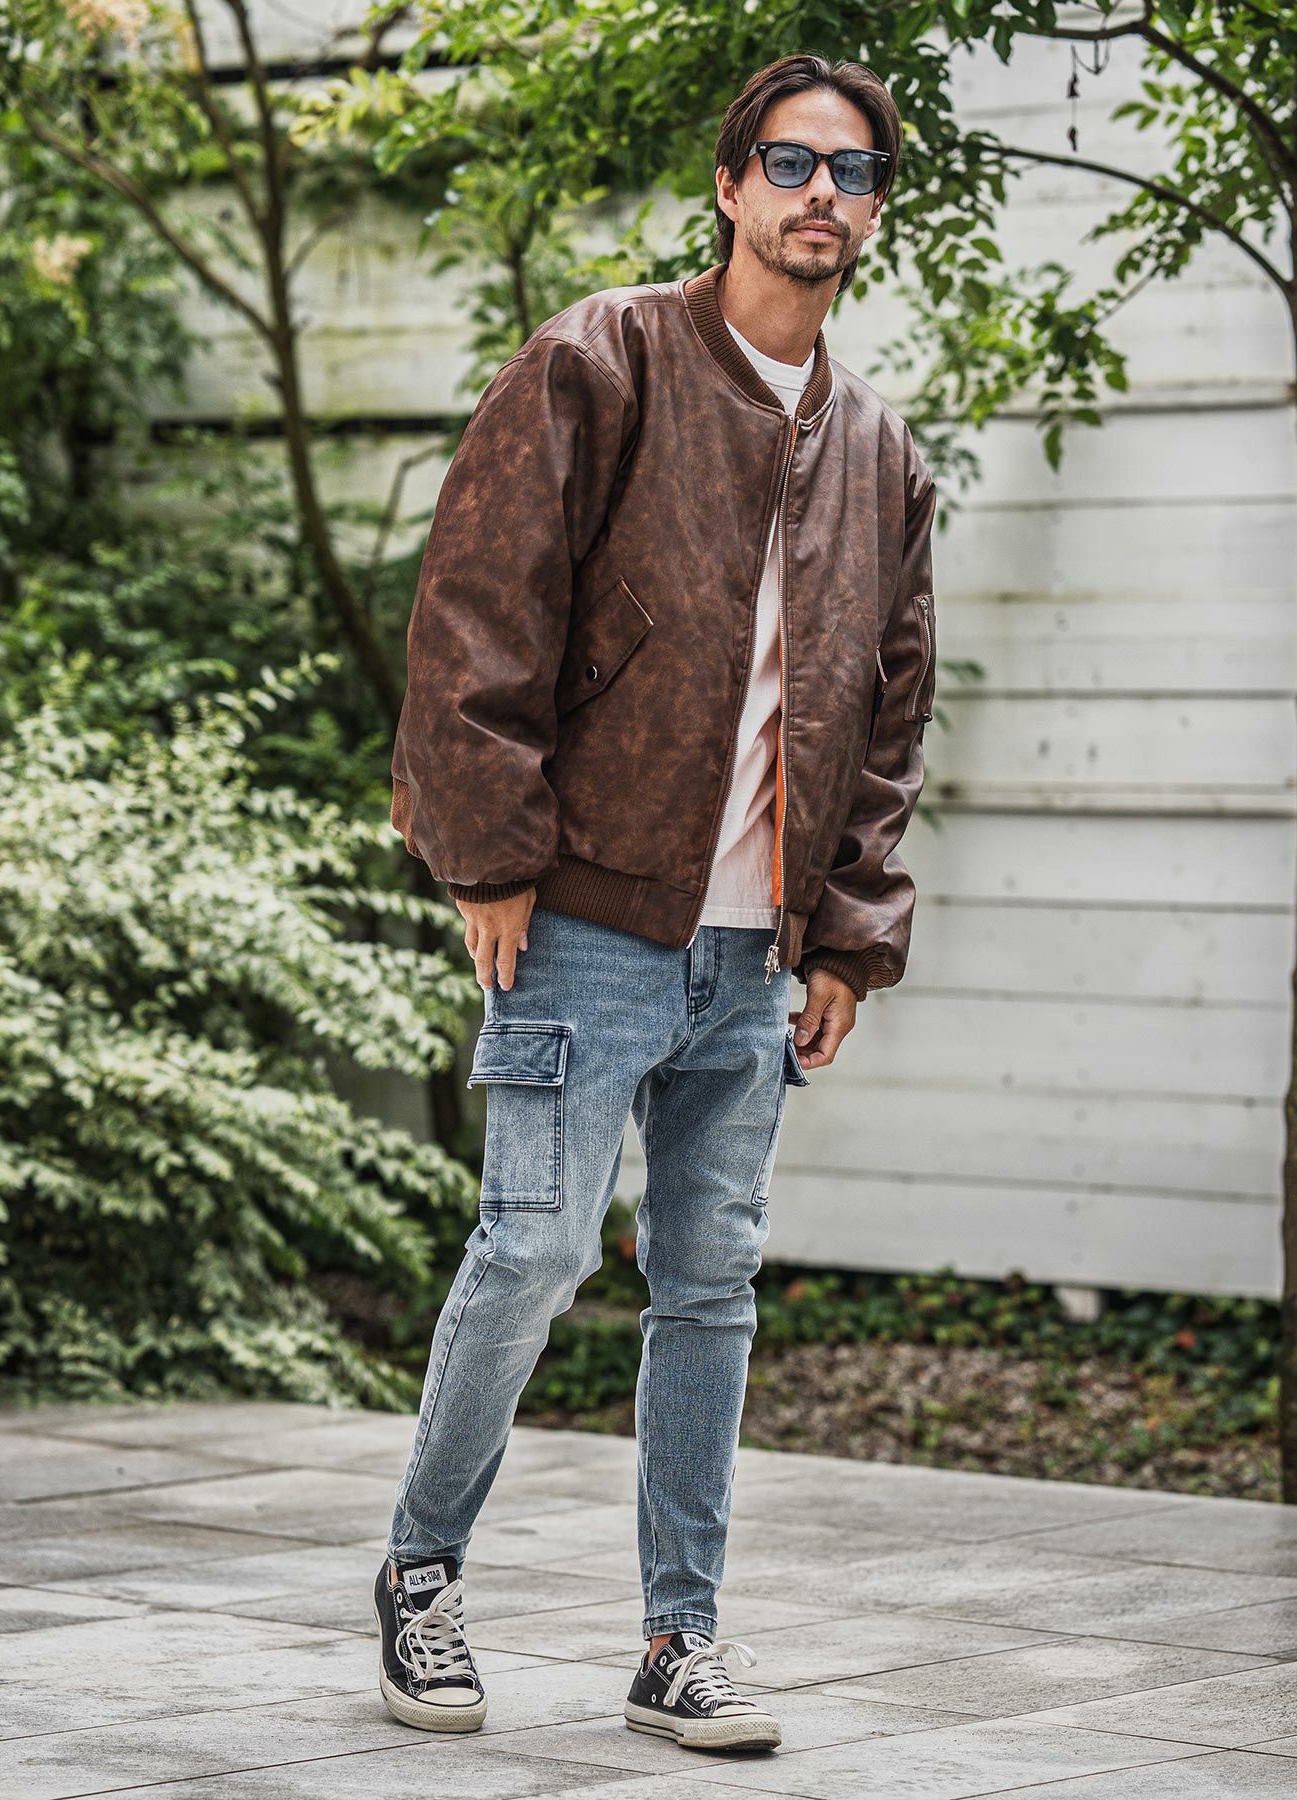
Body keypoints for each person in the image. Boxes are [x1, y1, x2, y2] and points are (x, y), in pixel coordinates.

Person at [375, 48, 937, 1754]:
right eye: (793, 162)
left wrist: (849, 935)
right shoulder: (600, 360)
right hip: (586, 922)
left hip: (758, 952)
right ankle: (419, 1574)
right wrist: (489, 852)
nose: (822, 194)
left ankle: (678, 1640)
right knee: (534, 1250)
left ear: (875, 211)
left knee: (710, 1286)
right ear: (730, 184)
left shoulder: (880, 455)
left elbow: (889, 716)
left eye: (853, 172)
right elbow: (480, 606)